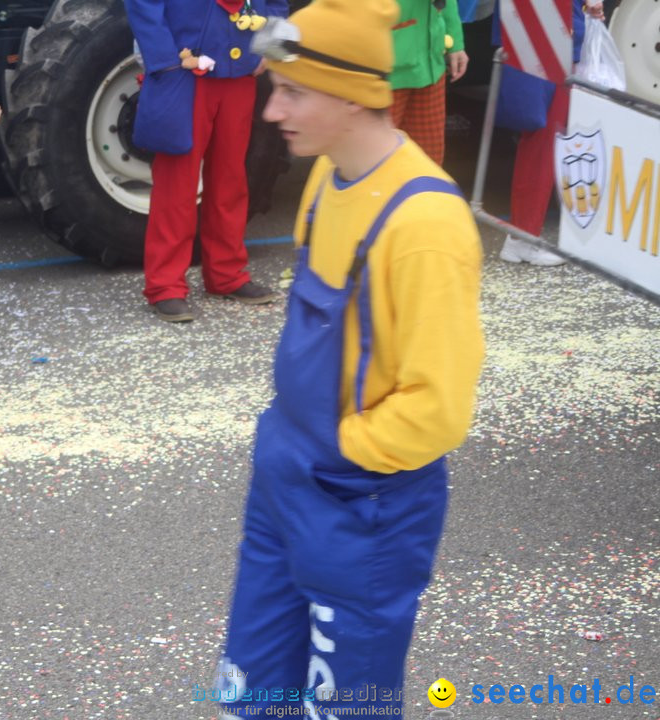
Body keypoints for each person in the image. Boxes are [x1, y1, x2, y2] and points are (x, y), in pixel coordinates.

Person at [217, 1, 483, 716]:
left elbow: (438, 406)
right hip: (287, 484)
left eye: (293, 91)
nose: (273, 111)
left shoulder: (425, 223)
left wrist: (341, 452)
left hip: (361, 502)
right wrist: (287, 448)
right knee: (255, 698)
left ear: (352, 95)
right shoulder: (326, 178)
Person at [126, 0, 287, 322]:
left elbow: (277, 3)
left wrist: (271, 50)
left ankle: (227, 274)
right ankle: (165, 286)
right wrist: (166, 62)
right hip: (183, 75)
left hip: (239, 73)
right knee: (177, 184)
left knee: (231, 180)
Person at [498, 0, 599, 266]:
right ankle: (523, 236)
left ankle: (522, 235)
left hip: (544, 35)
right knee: (541, 143)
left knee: (539, 142)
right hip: (552, 39)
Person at [389, 0, 467, 165]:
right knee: (370, 166)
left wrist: (454, 40)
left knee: (428, 164)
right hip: (379, 73)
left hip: (431, 66)